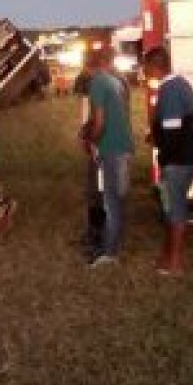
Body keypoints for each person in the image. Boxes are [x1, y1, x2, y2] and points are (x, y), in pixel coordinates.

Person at [143, 47, 193, 276]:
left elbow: (172, 131)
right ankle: (167, 258)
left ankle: (175, 264)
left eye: (146, 67)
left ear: (154, 66)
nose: (145, 72)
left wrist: (162, 155)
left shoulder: (169, 89)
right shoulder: (181, 84)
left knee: (174, 211)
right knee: (173, 209)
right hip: (185, 159)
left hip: (176, 162)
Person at [82, 46, 135, 268]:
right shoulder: (114, 81)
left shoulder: (97, 82)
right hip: (124, 147)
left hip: (112, 149)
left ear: (88, 65)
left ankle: (110, 253)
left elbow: (100, 122)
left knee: (111, 202)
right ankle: (110, 244)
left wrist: (91, 141)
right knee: (116, 200)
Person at [73, 52, 106, 258]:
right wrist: (84, 135)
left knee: (100, 193)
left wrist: (91, 138)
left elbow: (99, 120)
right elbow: (87, 115)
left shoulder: (104, 86)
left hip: (102, 147)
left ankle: (101, 240)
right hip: (94, 144)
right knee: (93, 192)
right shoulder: (88, 84)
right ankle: (93, 233)